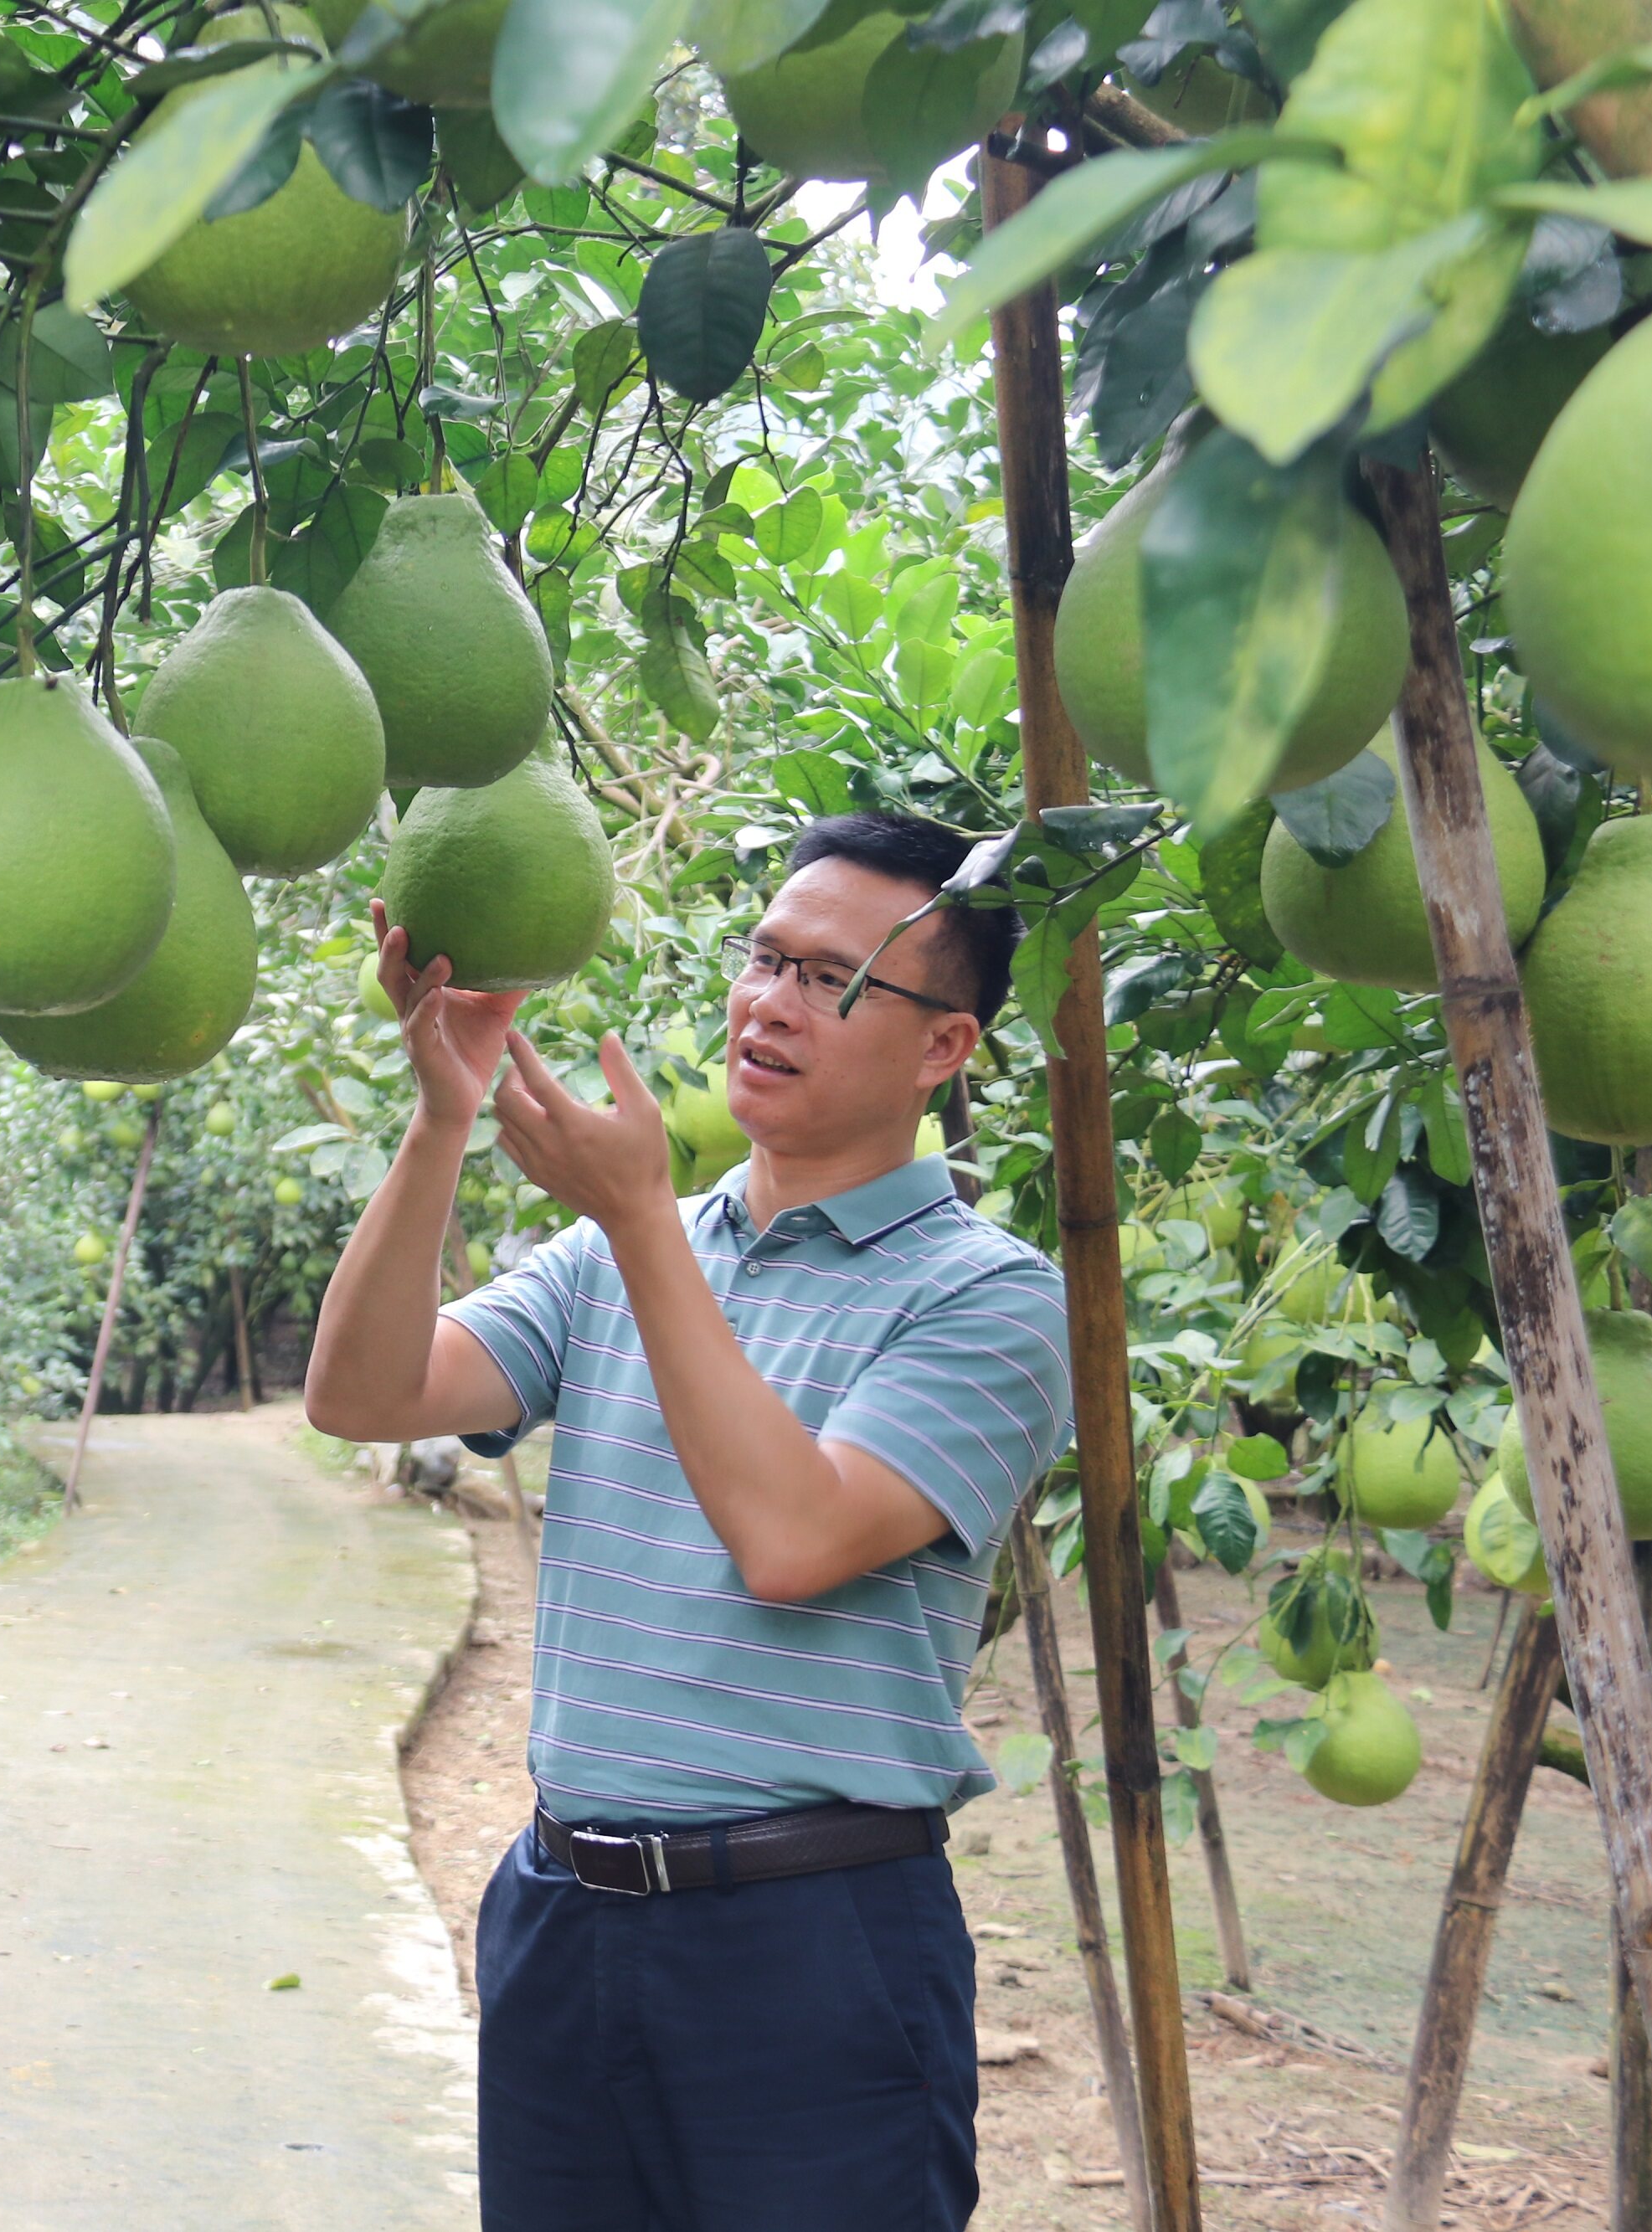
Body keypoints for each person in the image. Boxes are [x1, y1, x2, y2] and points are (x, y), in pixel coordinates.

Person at [304, 810, 1074, 2231]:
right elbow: (363, 1391)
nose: (771, 1002)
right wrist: (443, 1116)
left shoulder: (993, 1297)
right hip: (564, 1913)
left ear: (944, 1047)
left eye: (833, 980)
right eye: (765, 958)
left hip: (809, 1942)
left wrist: (647, 1219)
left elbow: (794, 1537)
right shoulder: (612, 1254)